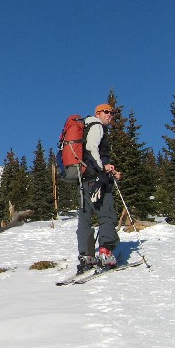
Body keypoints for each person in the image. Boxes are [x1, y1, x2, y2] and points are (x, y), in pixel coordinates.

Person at [76, 103, 122, 272]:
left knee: (85, 218)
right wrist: (103, 168)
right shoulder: (97, 126)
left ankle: (87, 256)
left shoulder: (86, 127)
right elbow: (91, 148)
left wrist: (109, 169)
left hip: (84, 180)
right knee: (106, 214)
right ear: (98, 113)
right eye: (106, 112)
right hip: (97, 180)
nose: (110, 115)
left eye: (112, 113)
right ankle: (105, 253)